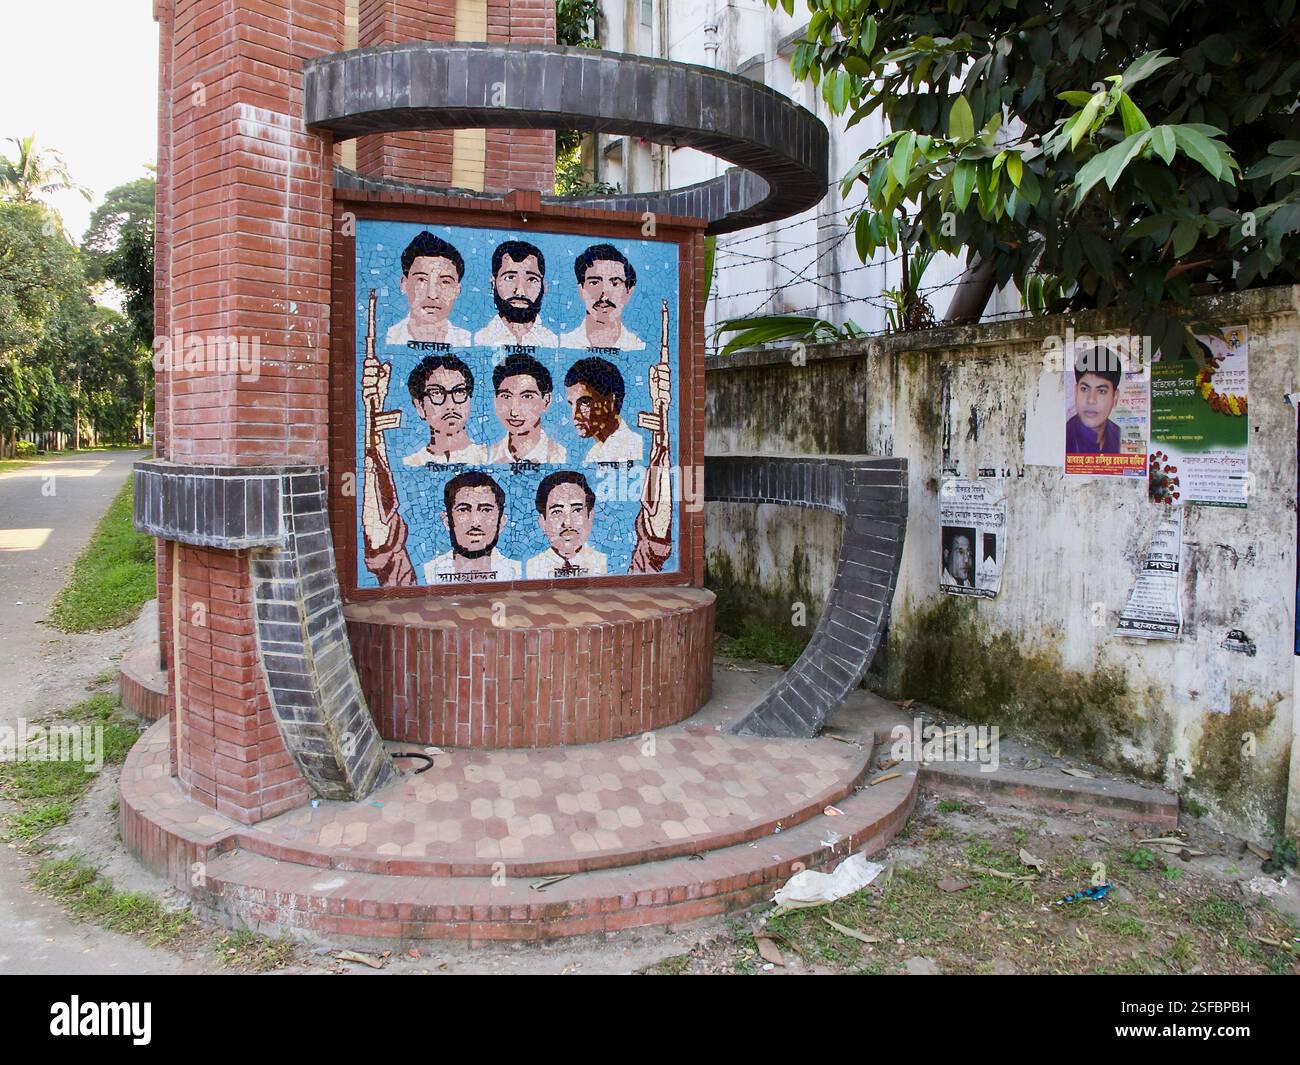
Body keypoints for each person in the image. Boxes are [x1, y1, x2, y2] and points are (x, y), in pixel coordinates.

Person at [425, 470, 521, 583]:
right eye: (463, 510)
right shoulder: (430, 572)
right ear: (447, 521)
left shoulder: (515, 571)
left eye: (486, 510)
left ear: (501, 522)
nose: (475, 522)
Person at [385, 231, 471, 346]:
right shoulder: (390, 337)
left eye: (445, 282)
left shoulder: (466, 340)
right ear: (404, 284)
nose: (432, 294)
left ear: (457, 290)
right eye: (421, 280)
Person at [403, 354, 488, 466]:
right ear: (419, 406)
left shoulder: (487, 456)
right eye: (437, 393)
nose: (450, 405)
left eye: (459, 392)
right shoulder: (412, 463)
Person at [473, 240, 559, 348]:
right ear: (493, 283)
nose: (520, 291)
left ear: (544, 286)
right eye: (510, 277)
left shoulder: (552, 342)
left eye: (532, 279)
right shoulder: (481, 339)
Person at [559, 243, 645, 351]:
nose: (604, 296)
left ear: (629, 292)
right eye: (594, 283)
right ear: (581, 289)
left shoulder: (637, 346)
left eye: (615, 283)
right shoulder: (565, 343)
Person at [486, 352, 566, 464]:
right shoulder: (487, 456)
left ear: (546, 401)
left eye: (527, 397)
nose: (514, 411)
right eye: (506, 396)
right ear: (495, 400)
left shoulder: (561, 456)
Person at [525, 471, 608, 578]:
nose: (568, 523)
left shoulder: (602, 562)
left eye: (577, 510)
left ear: (590, 517)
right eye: (557, 512)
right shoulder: (532, 567)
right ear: (542, 522)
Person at [564, 356, 644, 463]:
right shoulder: (594, 454)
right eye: (571, 404)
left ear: (610, 401)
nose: (575, 416)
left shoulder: (635, 448)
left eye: (585, 402)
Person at [1066, 346, 1124, 455]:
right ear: (1076, 391)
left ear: (1115, 398)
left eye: (1101, 391)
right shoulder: (1063, 437)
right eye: (1084, 389)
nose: (1091, 400)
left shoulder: (1119, 436)